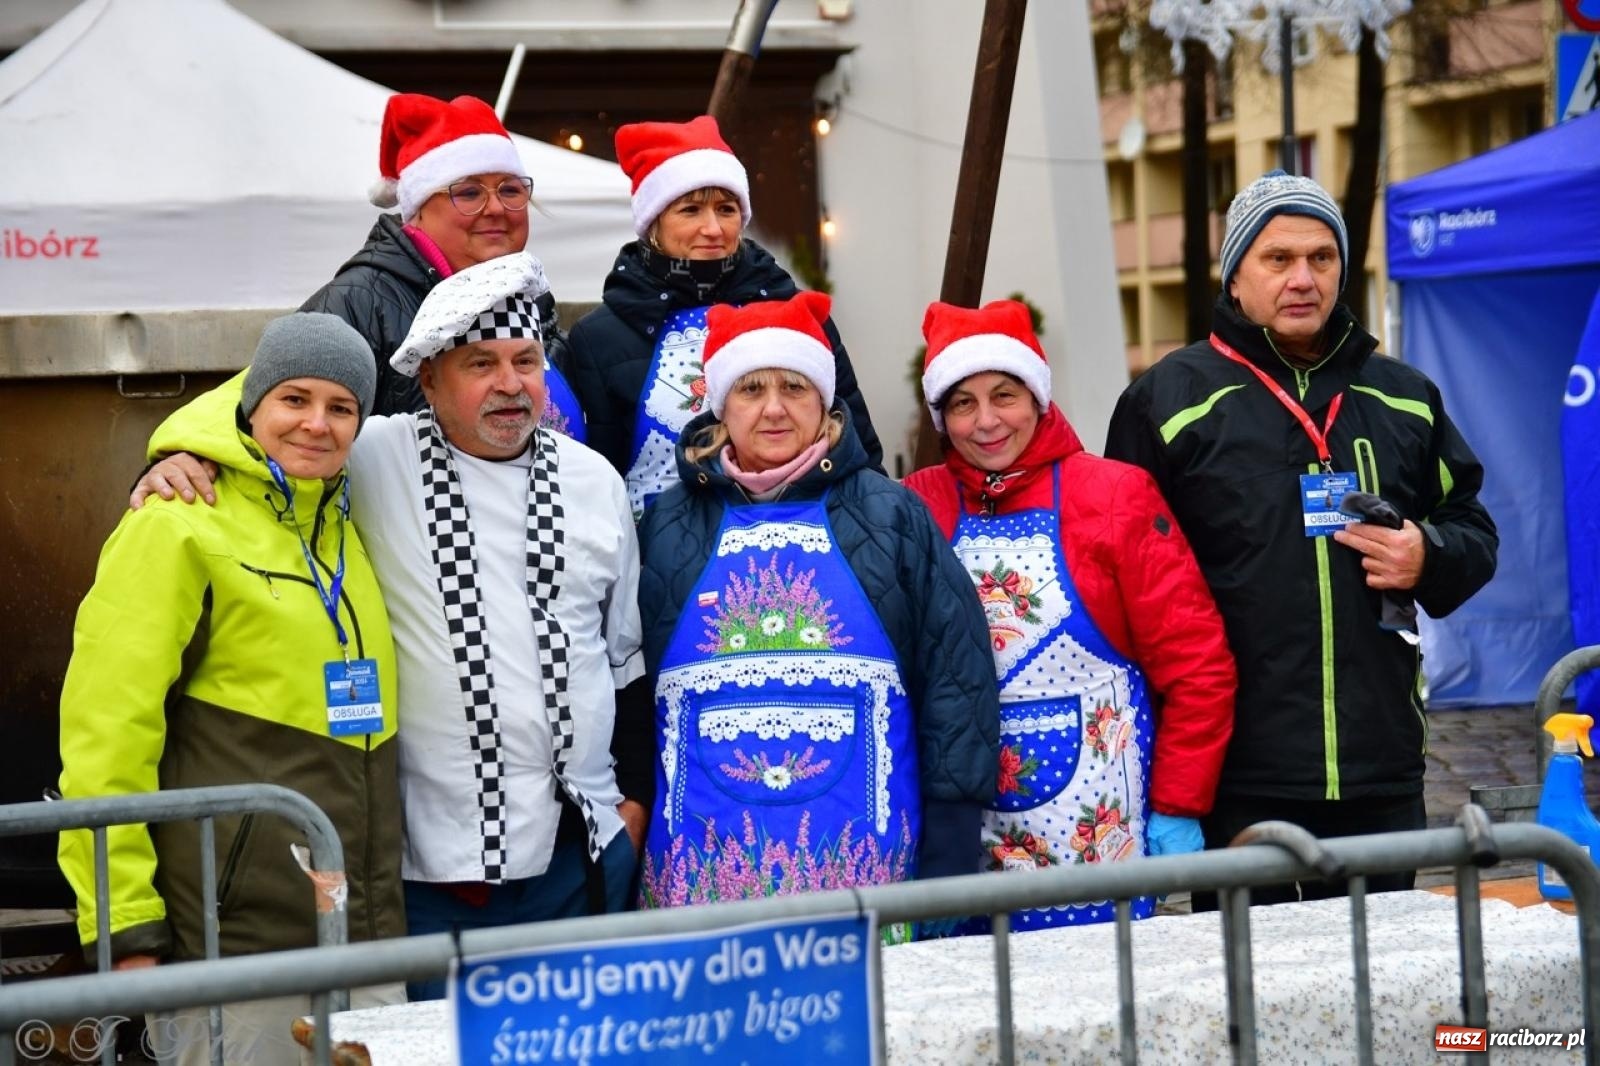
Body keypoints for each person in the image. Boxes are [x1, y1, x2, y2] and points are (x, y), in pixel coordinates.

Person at [134, 254, 649, 1000]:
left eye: (526, 360)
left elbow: (624, 658)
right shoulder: (370, 454)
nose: (511, 384)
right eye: (482, 364)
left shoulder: (594, 479)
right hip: (427, 871)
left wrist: (629, 806)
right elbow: (275, 404)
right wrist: (175, 452)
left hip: (581, 856)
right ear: (430, 380)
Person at [1104, 171, 1498, 903]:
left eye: (1322, 258)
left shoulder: (1402, 395)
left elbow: (1472, 525)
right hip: (1238, 772)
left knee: (1384, 994)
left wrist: (1427, 554)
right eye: (1277, 259)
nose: (1303, 278)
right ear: (1237, 272)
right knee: (1257, 999)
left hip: (1380, 768)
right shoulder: (1167, 401)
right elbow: (1125, 580)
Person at [59, 313, 404, 1065]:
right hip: (233, 939)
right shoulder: (177, 521)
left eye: (341, 407)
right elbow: (105, 733)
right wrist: (125, 926)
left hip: (362, 927)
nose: (316, 424)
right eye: (293, 399)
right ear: (251, 404)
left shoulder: (350, 516)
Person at [634, 291, 997, 937]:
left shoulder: (892, 516)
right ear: (720, 404)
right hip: (698, 875)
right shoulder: (665, 524)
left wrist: (950, 842)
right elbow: (631, 690)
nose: (774, 408)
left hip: (873, 875)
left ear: (825, 402)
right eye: (751, 388)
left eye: (794, 387)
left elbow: (956, 679)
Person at [903, 299, 1236, 930]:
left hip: (1097, 827)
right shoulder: (916, 505)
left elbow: (1197, 663)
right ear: (941, 417)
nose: (987, 421)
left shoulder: (1113, 495)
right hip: (964, 834)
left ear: (1038, 399)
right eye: (963, 404)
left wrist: (1179, 803)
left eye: (1005, 395)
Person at [564, 115, 883, 518]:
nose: (712, 228)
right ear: (654, 223)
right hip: (654, 564)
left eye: (726, 209)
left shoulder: (798, 315)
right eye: (691, 209)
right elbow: (592, 481)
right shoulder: (601, 338)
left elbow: (861, 455)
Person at [299, 92, 586, 438]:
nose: (495, 208)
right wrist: (213, 448)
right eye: (468, 193)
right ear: (417, 209)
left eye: (510, 190)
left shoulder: (532, 296)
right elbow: (264, 407)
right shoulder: (359, 301)